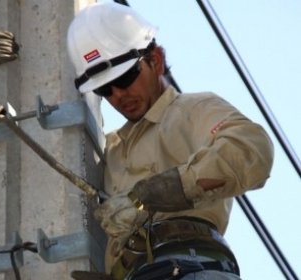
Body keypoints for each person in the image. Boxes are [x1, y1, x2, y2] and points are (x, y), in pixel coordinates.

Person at [66, 2, 274, 280]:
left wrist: (169, 188)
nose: (118, 95)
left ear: (156, 60)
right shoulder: (108, 149)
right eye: (105, 89)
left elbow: (252, 149)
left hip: (191, 265)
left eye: (126, 77)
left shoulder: (192, 110)